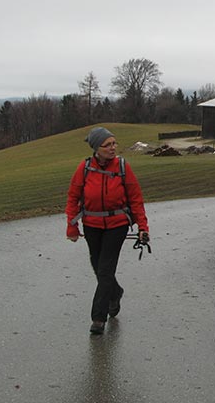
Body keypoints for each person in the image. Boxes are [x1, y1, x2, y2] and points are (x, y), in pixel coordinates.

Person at [66, 127, 150, 335]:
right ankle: (115, 292)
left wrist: (142, 227)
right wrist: (72, 226)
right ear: (97, 148)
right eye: (108, 145)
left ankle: (98, 318)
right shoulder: (84, 168)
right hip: (91, 225)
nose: (113, 148)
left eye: (114, 143)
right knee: (98, 267)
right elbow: (72, 197)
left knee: (105, 269)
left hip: (117, 225)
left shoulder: (122, 167)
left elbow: (136, 199)